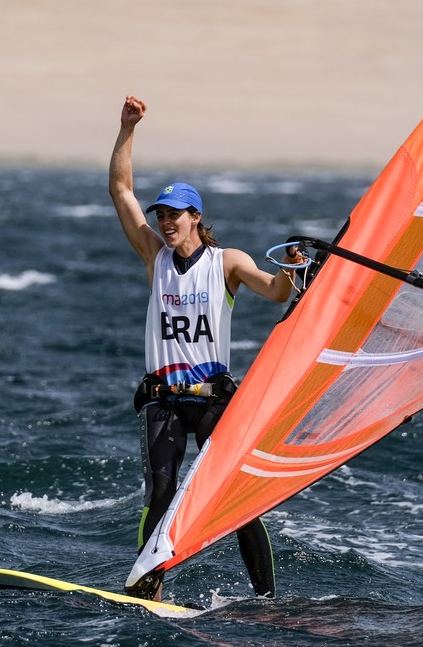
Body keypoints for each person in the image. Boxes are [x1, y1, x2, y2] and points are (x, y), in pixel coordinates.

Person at [108, 95, 302, 601]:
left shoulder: (228, 262)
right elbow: (121, 190)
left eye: (175, 215)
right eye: (162, 215)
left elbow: (278, 291)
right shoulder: (155, 255)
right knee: (163, 490)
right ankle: (147, 588)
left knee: (235, 498)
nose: (166, 222)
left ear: (196, 216)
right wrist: (127, 129)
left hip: (215, 399)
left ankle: (266, 598)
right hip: (165, 400)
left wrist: (291, 268)